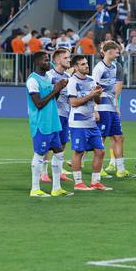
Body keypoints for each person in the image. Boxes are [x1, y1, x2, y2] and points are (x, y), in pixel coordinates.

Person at [25, 51, 71, 197]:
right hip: (41, 124)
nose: (48, 62)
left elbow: (53, 99)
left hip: (53, 122)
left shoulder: (48, 77)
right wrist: (55, 89)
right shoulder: (32, 80)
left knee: (59, 153)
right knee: (39, 154)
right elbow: (38, 104)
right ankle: (35, 189)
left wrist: (59, 89)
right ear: (38, 62)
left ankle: (56, 188)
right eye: (45, 60)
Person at [66, 55, 111, 191]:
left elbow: (96, 101)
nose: (86, 66)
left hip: (91, 122)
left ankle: (95, 182)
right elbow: (73, 103)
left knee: (100, 151)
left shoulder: (91, 80)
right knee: (79, 152)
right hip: (78, 123)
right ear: (75, 67)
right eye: (82, 64)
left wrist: (97, 94)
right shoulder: (72, 82)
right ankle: (78, 183)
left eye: (86, 63)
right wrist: (91, 95)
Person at [92, 41, 131, 179]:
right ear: (109, 52)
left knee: (118, 137)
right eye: (116, 51)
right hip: (102, 108)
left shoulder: (114, 66)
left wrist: (116, 106)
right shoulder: (99, 68)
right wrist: (94, 109)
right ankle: (100, 168)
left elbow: (114, 90)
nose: (118, 53)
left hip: (112, 108)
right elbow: (93, 90)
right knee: (101, 138)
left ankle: (120, 169)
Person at [44, 49, 74, 183]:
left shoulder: (68, 77)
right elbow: (45, 95)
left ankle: (59, 170)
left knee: (62, 144)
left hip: (65, 115)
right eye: (66, 58)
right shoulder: (49, 76)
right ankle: (43, 173)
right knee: (48, 145)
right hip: (52, 115)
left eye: (69, 58)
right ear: (56, 60)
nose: (69, 60)